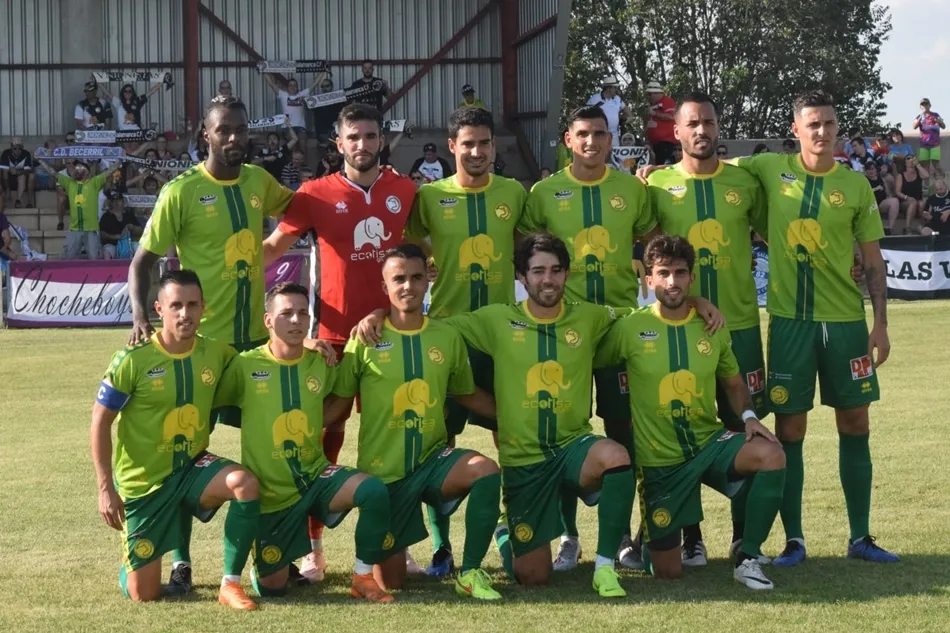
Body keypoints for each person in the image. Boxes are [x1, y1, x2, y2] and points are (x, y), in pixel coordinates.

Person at [128, 96, 295, 592]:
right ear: (206, 134)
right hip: (202, 347)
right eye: (224, 131)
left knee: (268, 444)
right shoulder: (181, 192)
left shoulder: (259, 182)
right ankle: (180, 560)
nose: (235, 139)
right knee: (183, 449)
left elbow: (301, 209)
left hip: (254, 345)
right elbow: (143, 261)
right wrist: (140, 315)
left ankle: (271, 551)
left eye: (241, 130)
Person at [731, 90, 897, 566]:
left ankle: (860, 537)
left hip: (846, 324)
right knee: (790, 431)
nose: (821, 132)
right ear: (796, 128)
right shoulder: (768, 169)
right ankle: (795, 540)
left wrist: (880, 324)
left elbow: (872, 261)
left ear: (837, 127)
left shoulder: (855, 185)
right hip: (790, 325)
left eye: (828, 123)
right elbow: (712, 172)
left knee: (856, 422)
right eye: (813, 124)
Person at [262, 102, 417, 582]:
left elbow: (426, 251)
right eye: (354, 137)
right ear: (339, 143)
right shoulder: (314, 194)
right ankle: (313, 549)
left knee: (393, 442)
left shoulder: (405, 190)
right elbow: (268, 252)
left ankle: (396, 542)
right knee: (320, 444)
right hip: (329, 340)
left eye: (371, 136)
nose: (363, 145)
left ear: (381, 141)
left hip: (388, 338)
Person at [441, 233, 635, 597]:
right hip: (524, 459)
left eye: (556, 270)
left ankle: (606, 567)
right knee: (533, 576)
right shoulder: (496, 320)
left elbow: (647, 316)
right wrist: (376, 315)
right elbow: (432, 331)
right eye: (538, 271)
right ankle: (505, 530)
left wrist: (699, 302)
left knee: (616, 456)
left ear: (567, 274)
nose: (548, 279)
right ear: (521, 276)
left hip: (573, 447)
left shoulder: (591, 317)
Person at [595, 235, 786, 590]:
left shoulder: (710, 326)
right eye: (663, 273)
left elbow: (733, 384)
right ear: (648, 280)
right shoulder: (629, 327)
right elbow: (589, 359)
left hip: (708, 444)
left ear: (691, 278)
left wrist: (749, 418)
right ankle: (654, 539)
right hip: (660, 463)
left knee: (771, 454)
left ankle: (747, 556)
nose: (672, 282)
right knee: (666, 571)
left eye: (680, 273)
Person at [518, 104, 658, 571]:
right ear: (568, 139)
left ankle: (621, 537)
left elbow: (652, 243)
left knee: (624, 433)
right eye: (584, 134)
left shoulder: (631, 190)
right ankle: (568, 538)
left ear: (609, 139)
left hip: (619, 327)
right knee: (559, 432)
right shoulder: (543, 193)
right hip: (566, 328)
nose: (593, 142)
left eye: (600, 134)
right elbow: (531, 254)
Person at [335, 244, 503, 599]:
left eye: (415, 277)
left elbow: (466, 393)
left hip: (432, 462)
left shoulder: (446, 336)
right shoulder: (364, 338)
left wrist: (513, 417)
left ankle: (470, 571)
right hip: (385, 479)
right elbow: (338, 405)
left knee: (485, 470)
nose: (407, 286)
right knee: (391, 583)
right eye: (398, 279)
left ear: (428, 280)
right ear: (385, 286)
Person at [647, 92, 771, 567]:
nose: (702, 131)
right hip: (683, 329)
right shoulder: (656, 186)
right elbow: (649, 255)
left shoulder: (745, 182)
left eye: (710, 122)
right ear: (676, 132)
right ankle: (692, 537)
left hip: (739, 327)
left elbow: (774, 228)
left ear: (719, 128)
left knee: (748, 431)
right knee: (687, 430)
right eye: (692, 124)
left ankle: (743, 539)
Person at [213, 282, 395, 602]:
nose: (296, 320)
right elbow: (211, 401)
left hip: (314, 477)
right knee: (275, 589)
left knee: (372, 490)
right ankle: (256, 570)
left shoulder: (319, 362)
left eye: (302, 313)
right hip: (272, 494)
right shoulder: (245, 366)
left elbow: (337, 406)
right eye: (286, 314)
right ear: (269, 321)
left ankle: (363, 577)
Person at [402, 106, 527, 575]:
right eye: (467, 144)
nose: (477, 152)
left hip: (500, 340)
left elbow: (530, 242)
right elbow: (410, 247)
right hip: (448, 337)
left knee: (510, 436)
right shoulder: (430, 196)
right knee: (439, 443)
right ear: (451, 147)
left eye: (484, 143)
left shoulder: (514, 193)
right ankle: (441, 545)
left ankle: (509, 529)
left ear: (494, 146)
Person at [90, 269, 260, 608]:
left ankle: (230, 583)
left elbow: (267, 359)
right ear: (159, 308)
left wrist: (309, 343)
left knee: (245, 483)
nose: (186, 313)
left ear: (203, 308)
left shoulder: (216, 353)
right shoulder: (133, 359)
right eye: (176, 305)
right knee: (144, 594)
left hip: (192, 468)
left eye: (193, 305)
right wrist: (105, 487)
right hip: (145, 484)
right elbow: (99, 422)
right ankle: (135, 561)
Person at [35, 158, 121, 259]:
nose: (78, 169)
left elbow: (108, 172)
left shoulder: (94, 182)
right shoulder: (69, 183)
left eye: (81, 167)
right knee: (68, 259)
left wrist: (119, 161)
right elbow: (53, 173)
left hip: (91, 229)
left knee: (95, 260)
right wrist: (40, 160)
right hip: (74, 229)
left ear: (88, 172)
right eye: (76, 167)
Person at [263, 75, 319, 146]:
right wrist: (263, 70)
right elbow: (271, 84)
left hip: (301, 126)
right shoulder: (283, 95)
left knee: (302, 144)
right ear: (287, 87)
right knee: (292, 146)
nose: (292, 87)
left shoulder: (302, 94)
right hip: (287, 126)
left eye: (294, 85)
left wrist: (324, 70)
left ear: (297, 87)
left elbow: (315, 83)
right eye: (290, 85)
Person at [587, 76, 630, 147]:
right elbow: (586, 114)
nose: (616, 90)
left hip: (614, 136)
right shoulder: (595, 99)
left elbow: (627, 111)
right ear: (609, 88)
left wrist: (625, 119)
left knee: (615, 157)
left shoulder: (617, 99)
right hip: (599, 134)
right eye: (615, 87)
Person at [99, 190, 143, 259]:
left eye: (119, 200)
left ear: (123, 202)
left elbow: (140, 231)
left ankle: (137, 269)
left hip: (128, 244)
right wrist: (115, 237)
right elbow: (101, 234)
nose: (117, 202)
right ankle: (107, 269)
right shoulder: (106, 216)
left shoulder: (129, 215)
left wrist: (132, 227)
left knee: (138, 247)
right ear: (111, 203)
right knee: (106, 251)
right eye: (114, 201)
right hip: (113, 244)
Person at [645, 82, 677, 164]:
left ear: (656, 93)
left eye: (650, 94)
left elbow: (671, 116)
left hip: (666, 142)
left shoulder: (667, 101)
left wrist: (655, 114)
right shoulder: (653, 105)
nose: (649, 97)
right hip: (655, 144)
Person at [895, 155, 928, 233]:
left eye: (912, 158)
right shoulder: (901, 175)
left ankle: (922, 226)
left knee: (921, 203)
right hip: (905, 200)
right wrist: (907, 197)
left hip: (918, 200)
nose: (910, 160)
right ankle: (907, 228)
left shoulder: (918, 173)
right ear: (905, 162)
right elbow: (897, 192)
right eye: (908, 158)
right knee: (913, 202)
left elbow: (927, 176)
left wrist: (917, 165)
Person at [864, 162, 899, 235]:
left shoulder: (881, 179)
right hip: (869, 205)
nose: (871, 171)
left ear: (876, 170)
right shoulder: (864, 180)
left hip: (881, 204)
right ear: (866, 171)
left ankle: (890, 228)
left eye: (873, 169)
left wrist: (889, 196)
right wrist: (875, 189)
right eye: (869, 169)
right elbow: (864, 193)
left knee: (894, 201)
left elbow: (887, 192)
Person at [1, 138, 35, 208]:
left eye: (20, 148)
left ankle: (18, 200)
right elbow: (4, 172)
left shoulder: (26, 154)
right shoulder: (6, 153)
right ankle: (4, 198)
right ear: (11, 148)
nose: (18, 150)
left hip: (20, 175)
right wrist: (8, 190)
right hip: (7, 176)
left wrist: (18, 171)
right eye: (15, 148)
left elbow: (28, 170)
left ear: (22, 148)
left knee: (24, 176)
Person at [914, 97, 944, 173]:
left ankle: (942, 180)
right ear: (920, 107)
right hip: (924, 144)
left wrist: (939, 121)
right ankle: (927, 184)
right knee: (925, 166)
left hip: (935, 144)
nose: (924, 106)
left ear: (929, 105)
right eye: (923, 105)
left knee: (936, 165)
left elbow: (943, 126)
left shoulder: (935, 115)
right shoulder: (919, 117)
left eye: (926, 104)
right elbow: (914, 126)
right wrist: (921, 116)